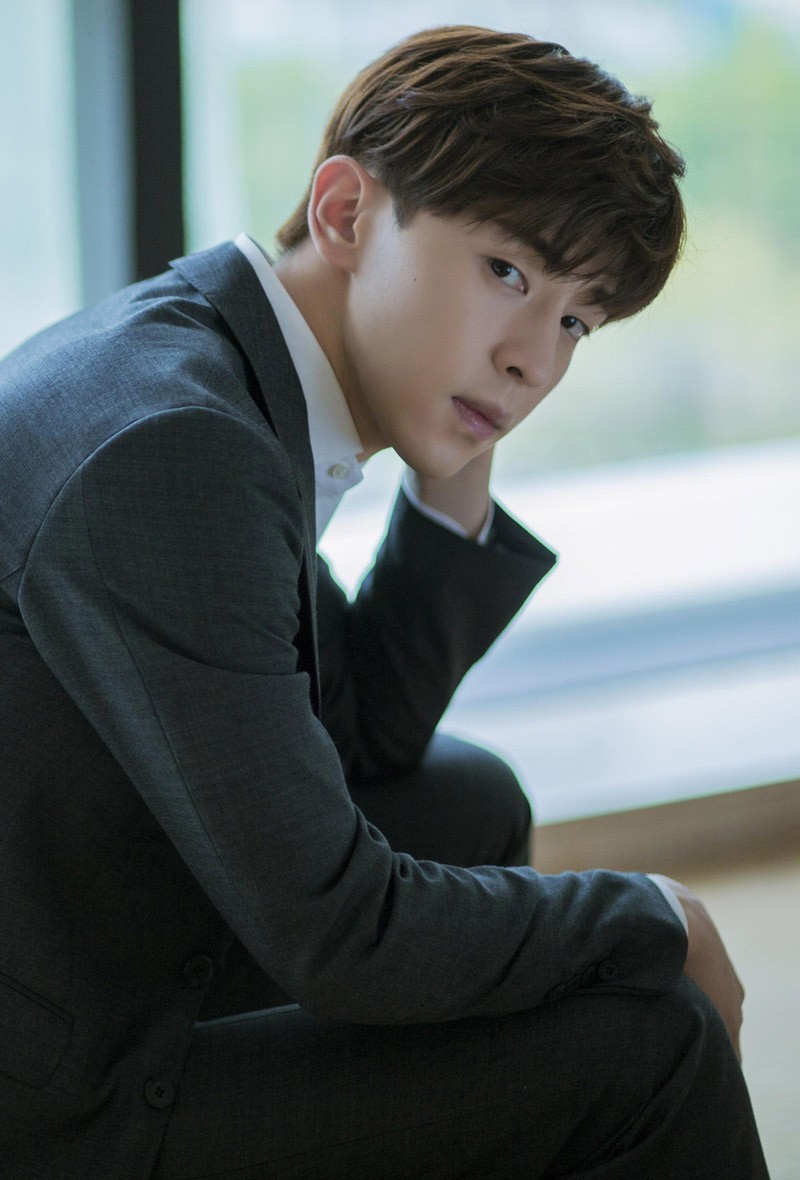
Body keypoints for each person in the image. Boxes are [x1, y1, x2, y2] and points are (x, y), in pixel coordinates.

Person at [0, 23, 769, 1179]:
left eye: (574, 319)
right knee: (649, 1045)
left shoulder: (216, 364)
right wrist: (657, 912)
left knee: (464, 801)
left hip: (94, 921)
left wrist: (456, 462)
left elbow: (359, 734)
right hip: (59, 1088)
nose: (535, 361)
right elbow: (337, 932)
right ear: (345, 211)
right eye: (506, 271)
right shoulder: (177, 448)